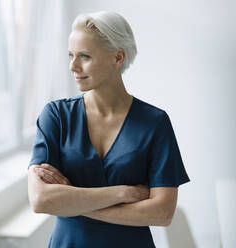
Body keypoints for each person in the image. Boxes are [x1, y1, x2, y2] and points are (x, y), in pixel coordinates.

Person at [27, 10, 190, 248]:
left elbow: (162, 213)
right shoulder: (56, 116)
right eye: (71, 55)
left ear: (118, 58)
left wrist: (73, 200)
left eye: (84, 56)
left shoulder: (155, 123)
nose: (73, 66)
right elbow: (41, 200)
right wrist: (123, 193)